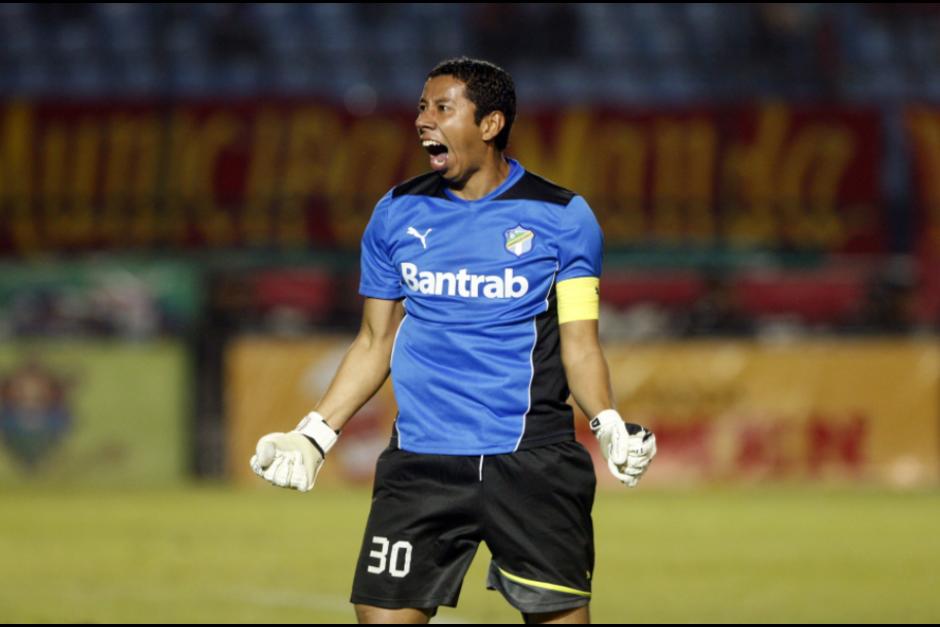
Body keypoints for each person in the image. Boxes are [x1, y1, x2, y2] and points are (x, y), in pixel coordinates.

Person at [250, 57, 657, 625]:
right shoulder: (395, 213)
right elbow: (374, 341)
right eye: (422, 107)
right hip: (422, 460)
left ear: (490, 123)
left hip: (531, 463)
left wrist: (606, 421)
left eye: (443, 108)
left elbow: (581, 344)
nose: (423, 120)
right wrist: (315, 435)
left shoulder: (564, 217)